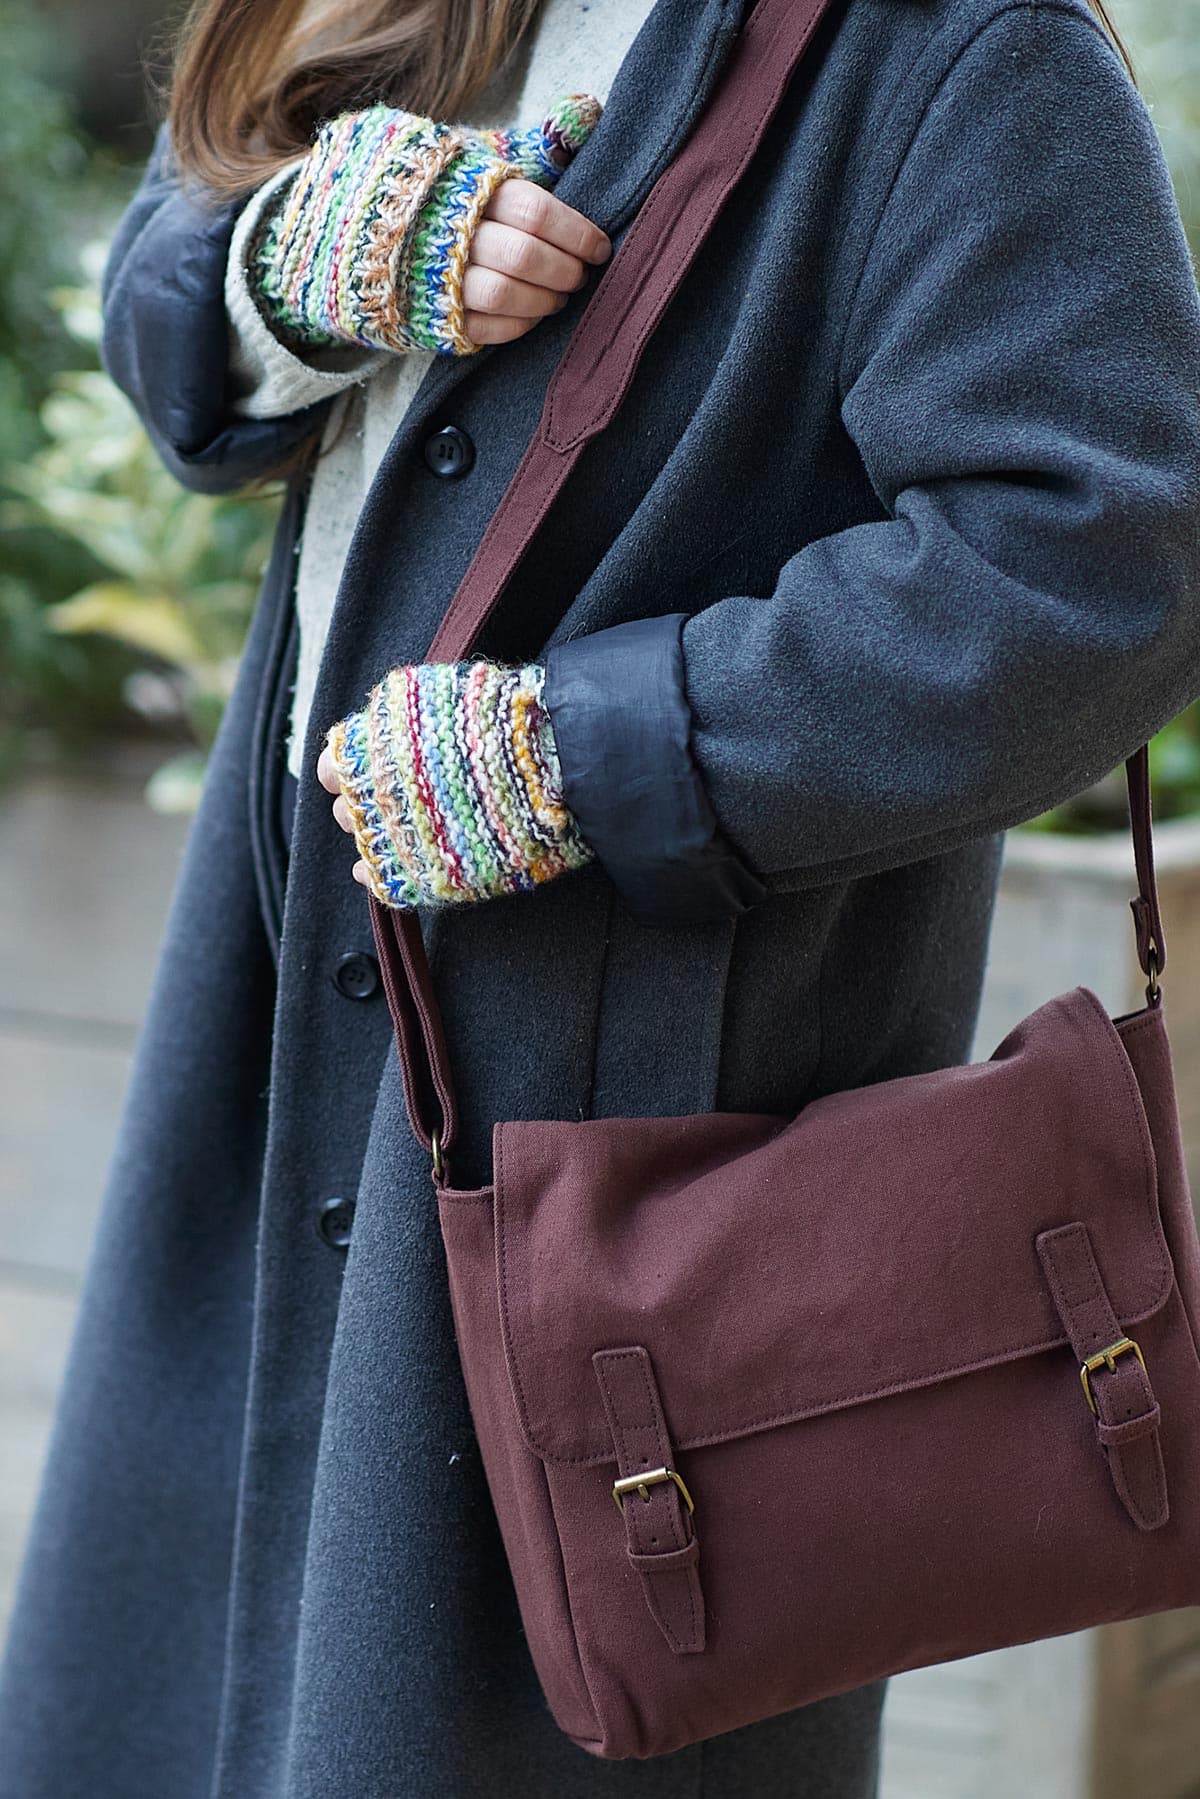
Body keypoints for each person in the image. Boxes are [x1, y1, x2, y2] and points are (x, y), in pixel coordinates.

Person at [2, 0, 1199, 1793]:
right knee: (182, 1695)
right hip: (275, 1028)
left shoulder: (960, 45)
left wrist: (589, 751)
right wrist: (283, 273)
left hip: (631, 1152)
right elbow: (178, 277)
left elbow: (1100, 557)